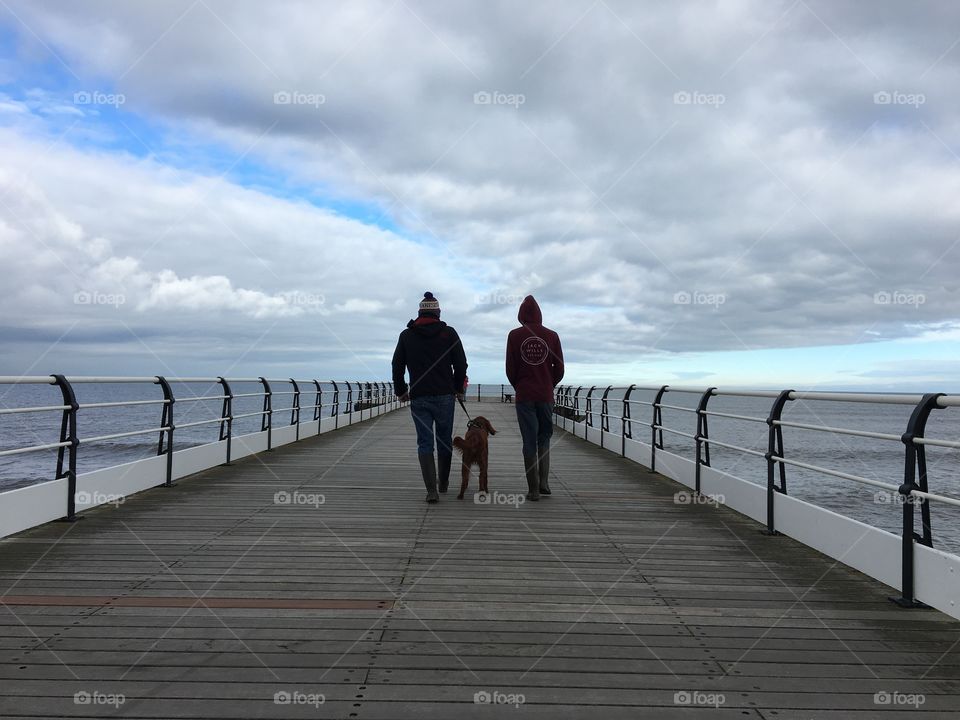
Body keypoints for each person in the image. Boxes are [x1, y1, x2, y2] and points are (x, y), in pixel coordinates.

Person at [392, 292, 468, 503]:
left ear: (419, 313)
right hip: (445, 396)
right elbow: (461, 363)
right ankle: (443, 483)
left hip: (419, 397)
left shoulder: (407, 336)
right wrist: (458, 387)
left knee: (424, 443)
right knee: (444, 441)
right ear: (438, 312)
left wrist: (401, 391)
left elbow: (397, 366)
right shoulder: (449, 333)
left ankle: (431, 490)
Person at [505, 295, 564, 501]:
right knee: (544, 437)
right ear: (539, 314)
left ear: (521, 314)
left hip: (525, 396)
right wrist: (549, 384)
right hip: (545, 395)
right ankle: (544, 483)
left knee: (528, 440)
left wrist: (519, 386)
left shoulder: (514, 335)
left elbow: (510, 369)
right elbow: (560, 369)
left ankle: (533, 490)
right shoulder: (552, 336)